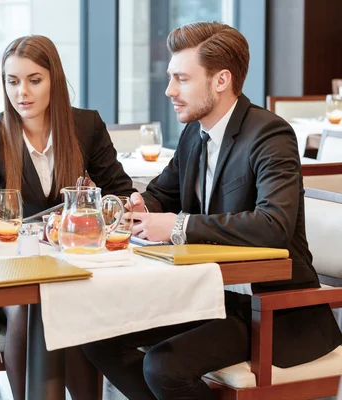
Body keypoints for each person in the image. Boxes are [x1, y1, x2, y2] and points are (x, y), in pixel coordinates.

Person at [82, 21, 342, 399]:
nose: (170, 90)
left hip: (267, 309)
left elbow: (273, 225)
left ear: (221, 80)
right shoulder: (195, 134)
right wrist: (135, 208)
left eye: (182, 79)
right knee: (97, 339)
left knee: (163, 366)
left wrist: (177, 227)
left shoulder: (270, 135)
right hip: (210, 298)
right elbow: (160, 195)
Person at [0, 35, 136, 399]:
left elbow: (119, 191)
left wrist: (89, 208)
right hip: (18, 265)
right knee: (29, 307)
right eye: (12, 81)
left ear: (53, 78)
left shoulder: (86, 126)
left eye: (33, 80)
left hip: (74, 261)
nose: (21, 92)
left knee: (71, 307)